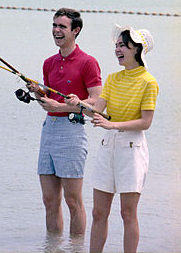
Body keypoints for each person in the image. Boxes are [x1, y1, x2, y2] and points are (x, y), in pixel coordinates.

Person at [66, 24, 159, 252]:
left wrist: (112, 124)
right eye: (116, 45)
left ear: (137, 50)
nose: (117, 49)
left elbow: (146, 122)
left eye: (123, 45)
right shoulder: (112, 78)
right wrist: (78, 104)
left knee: (127, 213)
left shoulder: (149, 82)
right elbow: (96, 111)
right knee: (98, 212)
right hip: (108, 147)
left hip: (132, 149)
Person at [26, 8, 102, 236]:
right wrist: (38, 92)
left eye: (62, 27)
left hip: (72, 131)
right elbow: (49, 99)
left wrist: (62, 107)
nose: (56, 31)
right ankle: (53, 249)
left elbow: (96, 103)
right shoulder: (49, 62)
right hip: (49, 130)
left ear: (75, 31)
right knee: (49, 200)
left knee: (73, 201)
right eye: (54, 25)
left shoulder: (88, 62)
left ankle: (76, 249)